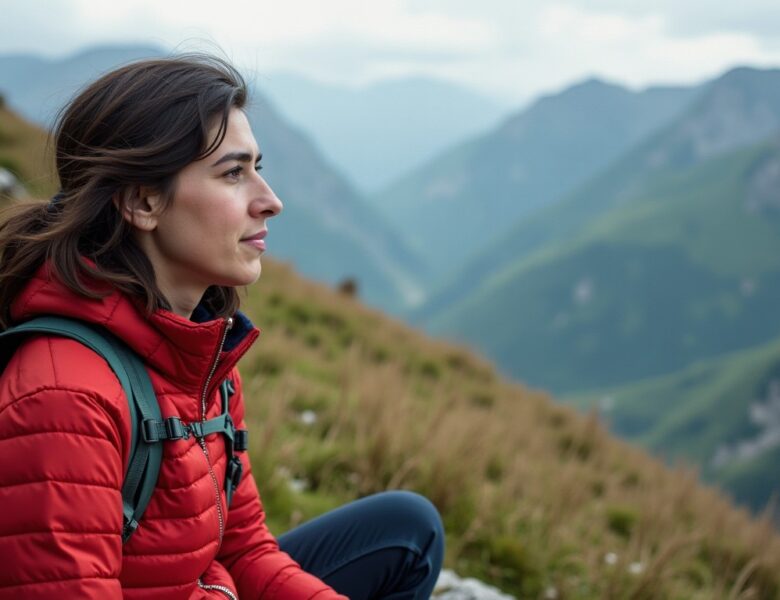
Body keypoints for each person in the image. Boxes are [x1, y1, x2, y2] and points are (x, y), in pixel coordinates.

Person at [0, 53, 444, 599]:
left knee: (406, 528)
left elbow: (245, 549)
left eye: (259, 168)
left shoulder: (202, 354)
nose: (270, 201)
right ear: (143, 201)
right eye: (234, 173)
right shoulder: (64, 398)